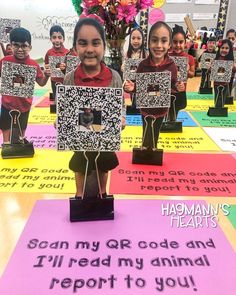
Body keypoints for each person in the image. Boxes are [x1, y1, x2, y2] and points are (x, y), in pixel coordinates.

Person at [63, 18, 126, 198]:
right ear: (75, 47)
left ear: (104, 46)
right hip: (80, 135)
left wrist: (121, 118)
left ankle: (101, 192)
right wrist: (60, 120)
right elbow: (66, 107)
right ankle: (80, 194)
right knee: (80, 164)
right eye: (83, 43)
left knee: (103, 164)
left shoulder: (114, 77)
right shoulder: (69, 78)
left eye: (96, 43)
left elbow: (120, 104)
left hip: (104, 136)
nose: (89, 49)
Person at [124, 21, 184, 150]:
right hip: (145, 108)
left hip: (161, 108)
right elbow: (139, 86)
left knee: (156, 129)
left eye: (163, 41)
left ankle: (153, 149)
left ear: (169, 44)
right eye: (154, 40)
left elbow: (172, 87)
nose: (159, 45)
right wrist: (131, 88)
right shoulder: (142, 65)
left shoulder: (171, 65)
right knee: (146, 129)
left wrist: (178, 88)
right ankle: (144, 149)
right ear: (148, 42)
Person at [0, 27, 51, 144]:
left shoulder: (33, 64)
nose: (20, 49)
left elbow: (42, 83)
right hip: (6, 104)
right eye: (16, 45)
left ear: (30, 47)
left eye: (24, 46)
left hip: (25, 104)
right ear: (11, 46)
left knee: (22, 127)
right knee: (6, 125)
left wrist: (47, 76)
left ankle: (21, 142)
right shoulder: (5, 61)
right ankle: (6, 143)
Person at [169, 24, 195, 118]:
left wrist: (187, 71)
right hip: (168, 90)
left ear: (185, 43)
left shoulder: (189, 58)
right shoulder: (166, 57)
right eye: (175, 42)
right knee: (168, 110)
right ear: (171, 43)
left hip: (181, 90)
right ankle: (169, 121)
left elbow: (192, 74)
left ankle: (173, 122)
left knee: (177, 108)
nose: (178, 45)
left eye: (181, 42)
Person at [122, 27, 148, 113]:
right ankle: (132, 105)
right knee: (128, 87)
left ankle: (140, 105)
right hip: (130, 78)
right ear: (130, 40)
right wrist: (123, 67)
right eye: (133, 38)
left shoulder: (146, 54)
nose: (136, 41)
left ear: (143, 39)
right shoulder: (127, 53)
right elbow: (125, 66)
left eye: (138, 38)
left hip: (141, 80)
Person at [44, 25, 69, 98]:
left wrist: (65, 68)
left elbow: (70, 70)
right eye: (54, 37)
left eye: (60, 37)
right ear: (50, 39)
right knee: (56, 100)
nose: (57, 40)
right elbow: (46, 65)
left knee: (65, 100)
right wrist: (47, 69)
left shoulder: (68, 53)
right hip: (54, 81)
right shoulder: (49, 53)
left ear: (63, 39)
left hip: (65, 82)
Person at [212, 39, 235, 108]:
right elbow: (211, 71)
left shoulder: (231, 60)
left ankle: (221, 108)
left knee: (223, 96)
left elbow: (234, 70)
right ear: (219, 48)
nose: (224, 50)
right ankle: (216, 108)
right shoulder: (216, 59)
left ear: (230, 50)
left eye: (227, 48)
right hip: (216, 82)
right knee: (217, 95)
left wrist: (233, 67)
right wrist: (211, 67)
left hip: (225, 83)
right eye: (222, 48)